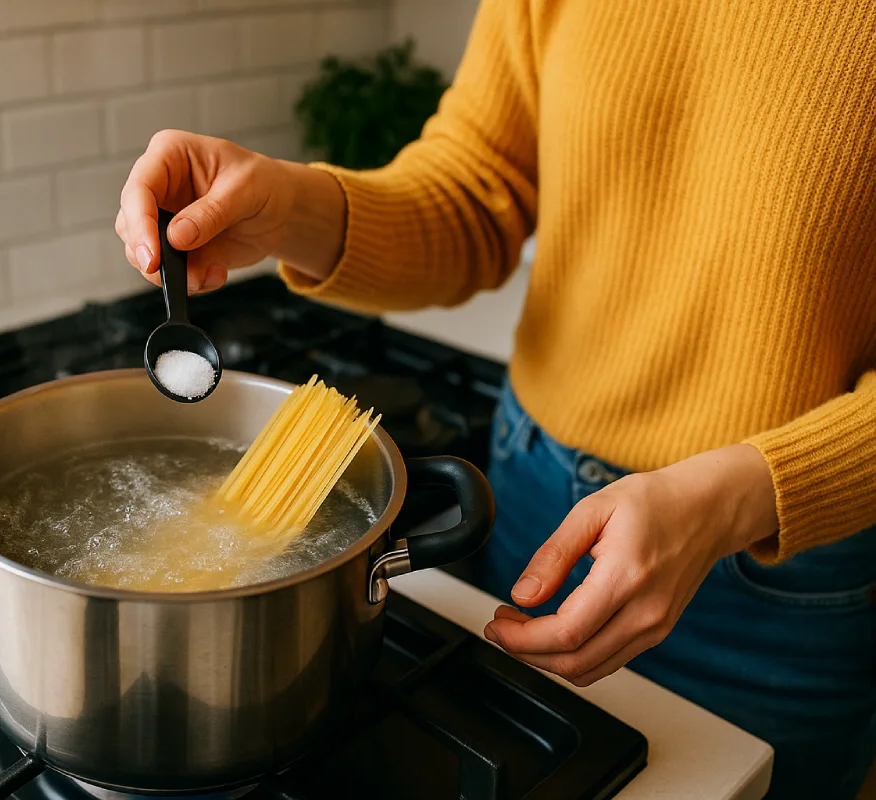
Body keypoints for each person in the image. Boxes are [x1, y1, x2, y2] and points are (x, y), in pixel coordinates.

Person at [114, 2, 876, 797]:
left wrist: (739, 496)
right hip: (536, 505)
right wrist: (291, 207)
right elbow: (476, 192)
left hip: (781, 573)